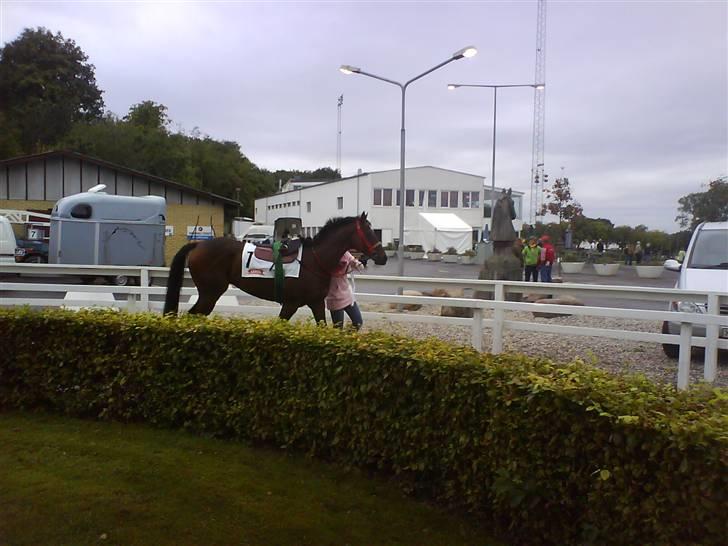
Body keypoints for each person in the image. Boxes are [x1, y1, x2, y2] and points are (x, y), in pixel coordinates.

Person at [326, 251, 365, 329]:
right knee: (338, 329)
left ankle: (347, 339)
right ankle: (340, 340)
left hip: (347, 293)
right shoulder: (327, 253)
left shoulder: (345, 253)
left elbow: (353, 261)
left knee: (358, 322)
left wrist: (357, 264)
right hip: (334, 296)